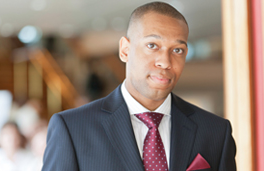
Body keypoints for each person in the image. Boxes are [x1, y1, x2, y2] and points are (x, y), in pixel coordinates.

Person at [42, 2, 236, 171]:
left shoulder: (215, 132)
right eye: (152, 45)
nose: (165, 62)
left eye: (177, 50)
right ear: (125, 51)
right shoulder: (73, 129)